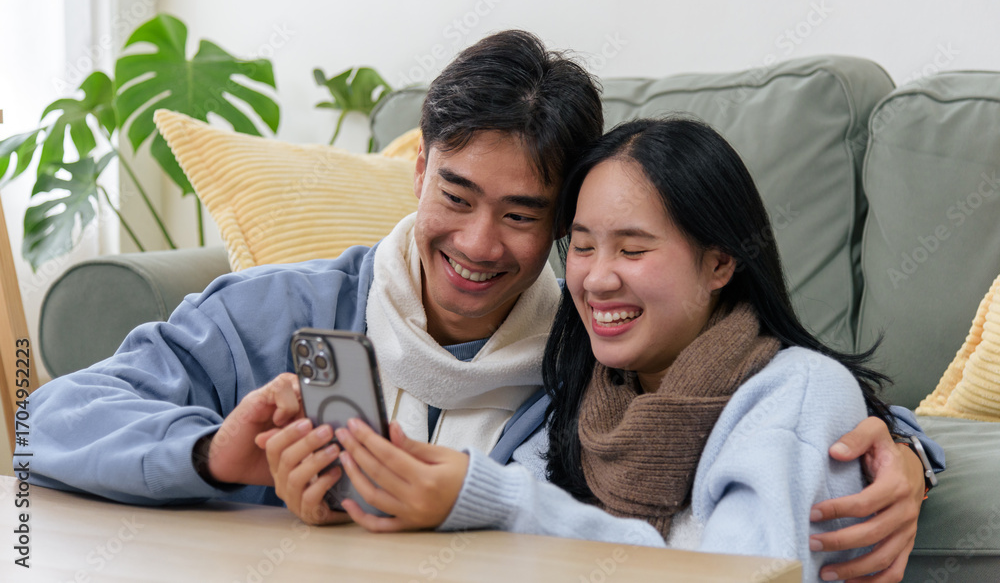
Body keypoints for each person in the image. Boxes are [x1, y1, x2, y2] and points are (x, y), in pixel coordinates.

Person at [21, 33, 936, 580]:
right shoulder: (284, 310)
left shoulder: (592, 355)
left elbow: (756, 392)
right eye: (455, 197)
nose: (479, 244)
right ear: (417, 169)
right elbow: (46, 421)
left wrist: (900, 448)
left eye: (525, 215)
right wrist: (219, 458)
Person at [318, 117, 940, 582]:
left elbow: (740, 573)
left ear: (720, 260)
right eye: (583, 246)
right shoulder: (580, 398)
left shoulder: (794, 390)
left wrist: (496, 500)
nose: (595, 279)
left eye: (633, 250)